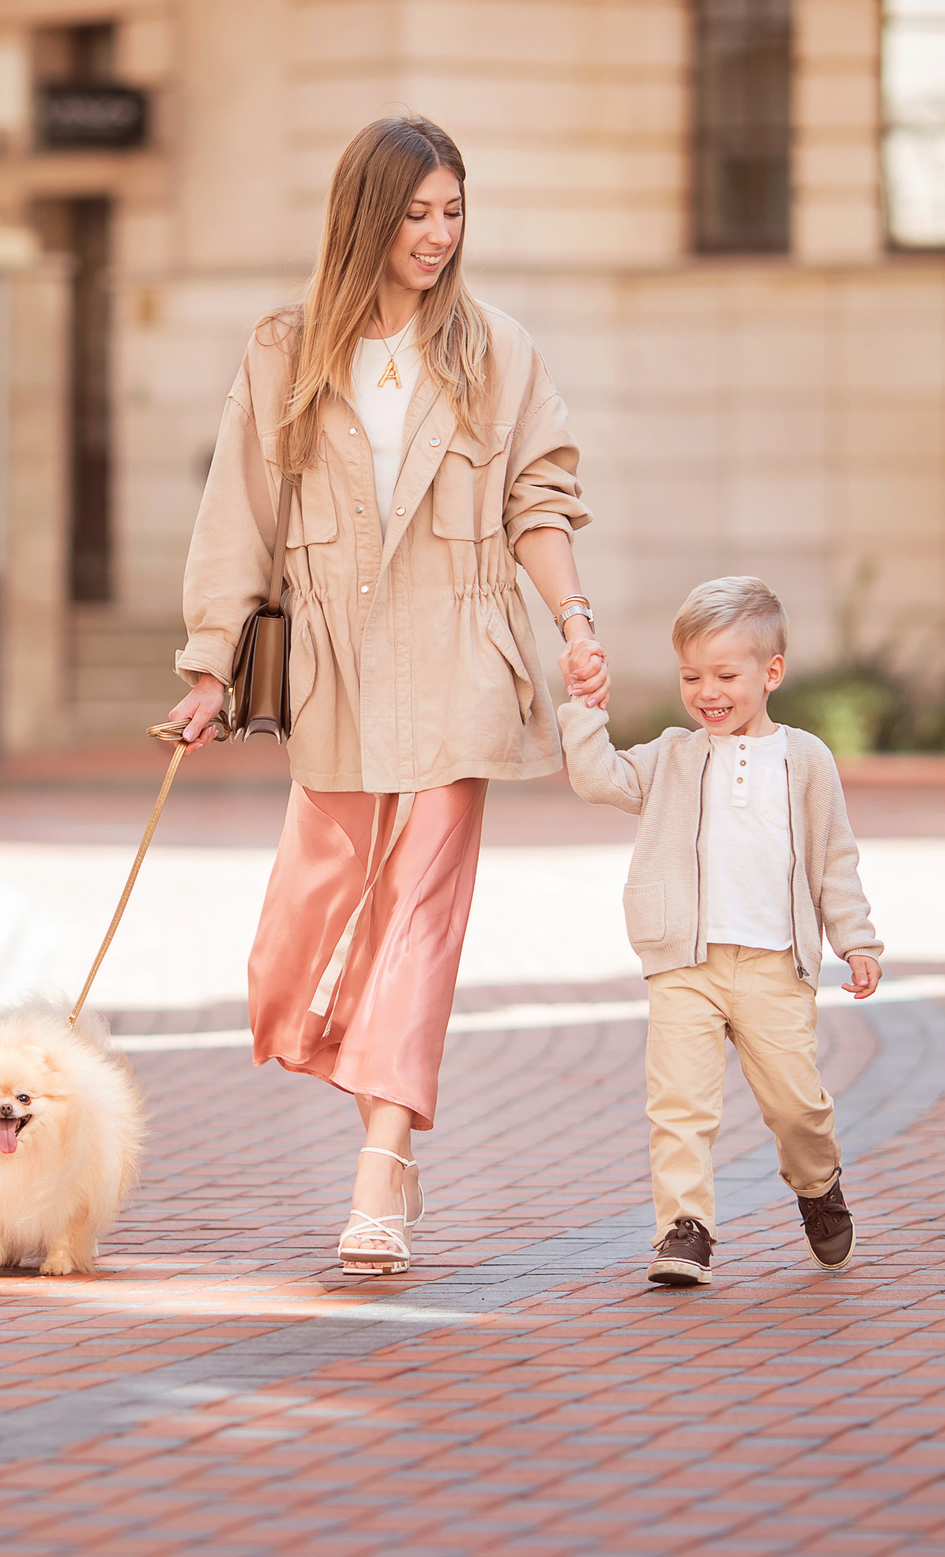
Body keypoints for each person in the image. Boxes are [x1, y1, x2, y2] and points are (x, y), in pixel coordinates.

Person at [170, 114, 602, 1276]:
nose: (436, 235)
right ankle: (366, 1089)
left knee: (420, 922)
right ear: (366, 214)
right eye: (415, 213)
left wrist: (572, 621)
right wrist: (210, 669)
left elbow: (541, 500)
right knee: (290, 956)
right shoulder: (285, 352)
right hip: (336, 674)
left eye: (453, 212)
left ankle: (382, 1174)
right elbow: (238, 521)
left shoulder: (495, 352)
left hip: (459, 659)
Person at [557, 575, 885, 1287]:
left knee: (797, 1105)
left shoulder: (805, 761)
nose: (707, 691)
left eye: (726, 674)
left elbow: (835, 859)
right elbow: (599, 779)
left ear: (771, 674)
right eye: (691, 675)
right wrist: (585, 711)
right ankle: (686, 1227)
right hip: (685, 964)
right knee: (679, 1105)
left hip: (774, 967)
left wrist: (857, 939)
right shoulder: (673, 756)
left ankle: (817, 1180)